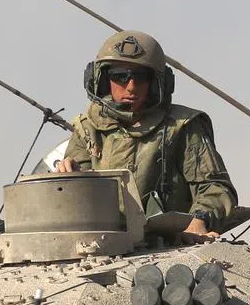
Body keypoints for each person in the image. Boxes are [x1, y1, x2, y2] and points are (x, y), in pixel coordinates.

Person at [55, 30, 236, 243]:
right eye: (120, 76)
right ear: (102, 80)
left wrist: (200, 219)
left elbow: (215, 188)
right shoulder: (88, 128)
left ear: (157, 83)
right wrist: (69, 179)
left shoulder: (181, 126)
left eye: (141, 78)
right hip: (102, 245)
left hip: (168, 246)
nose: (131, 87)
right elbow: (74, 204)